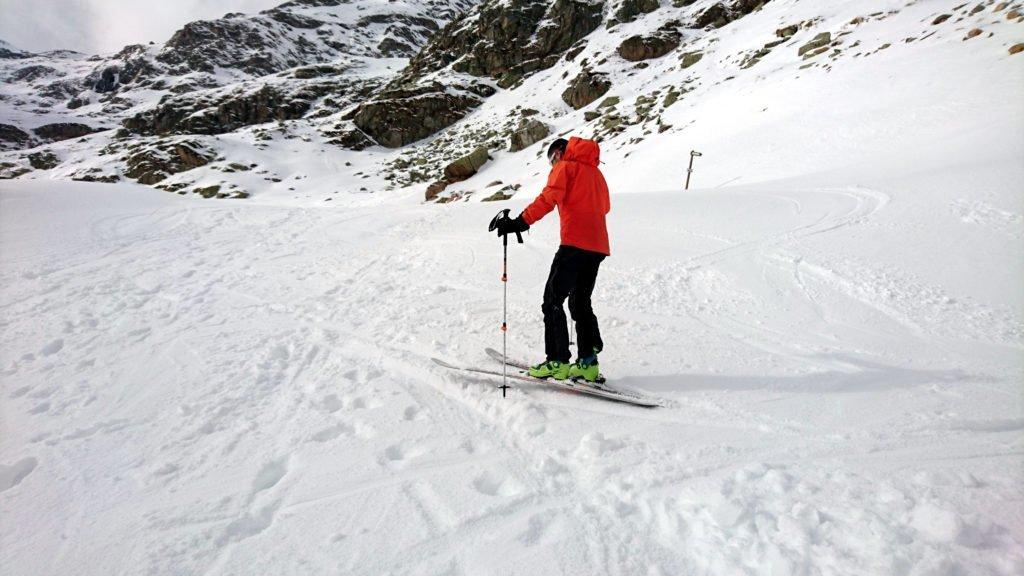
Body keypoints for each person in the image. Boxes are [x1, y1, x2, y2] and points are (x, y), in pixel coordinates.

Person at [492, 136, 611, 382]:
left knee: (552, 301)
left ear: (558, 152)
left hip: (574, 244)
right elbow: (605, 207)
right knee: (580, 302)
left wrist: (519, 223)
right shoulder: (597, 175)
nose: (552, 165)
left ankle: (557, 361)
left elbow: (549, 198)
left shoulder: (565, 167)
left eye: (551, 160)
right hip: (598, 246)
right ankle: (588, 363)